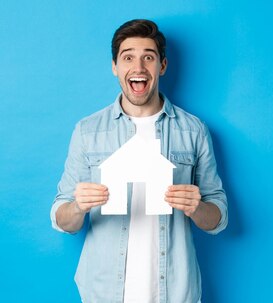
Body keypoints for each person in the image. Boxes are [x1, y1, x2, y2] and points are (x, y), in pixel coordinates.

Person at [50, 19, 228, 303]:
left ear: (163, 66)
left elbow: (218, 218)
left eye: (148, 57)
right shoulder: (87, 131)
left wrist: (198, 208)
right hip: (103, 292)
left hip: (174, 293)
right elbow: (62, 219)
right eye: (128, 57)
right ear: (115, 67)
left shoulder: (194, 130)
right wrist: (77, 206)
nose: (139, 67)